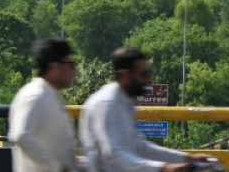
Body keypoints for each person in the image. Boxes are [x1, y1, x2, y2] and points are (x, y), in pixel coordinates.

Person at [79, 46, 214, 172]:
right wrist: (164, 168)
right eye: (144, 74)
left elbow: (141, 147)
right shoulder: (107, 104)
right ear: (125, 75)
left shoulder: (124, 102)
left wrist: (188, 158)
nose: (149, 79)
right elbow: (115, 155)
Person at [8, 38, 82, 172]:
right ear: (53, 66)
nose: (75, 71)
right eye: (71, 64)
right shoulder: (34, 95)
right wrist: (57, 168)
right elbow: (21, 136)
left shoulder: (51, 95)